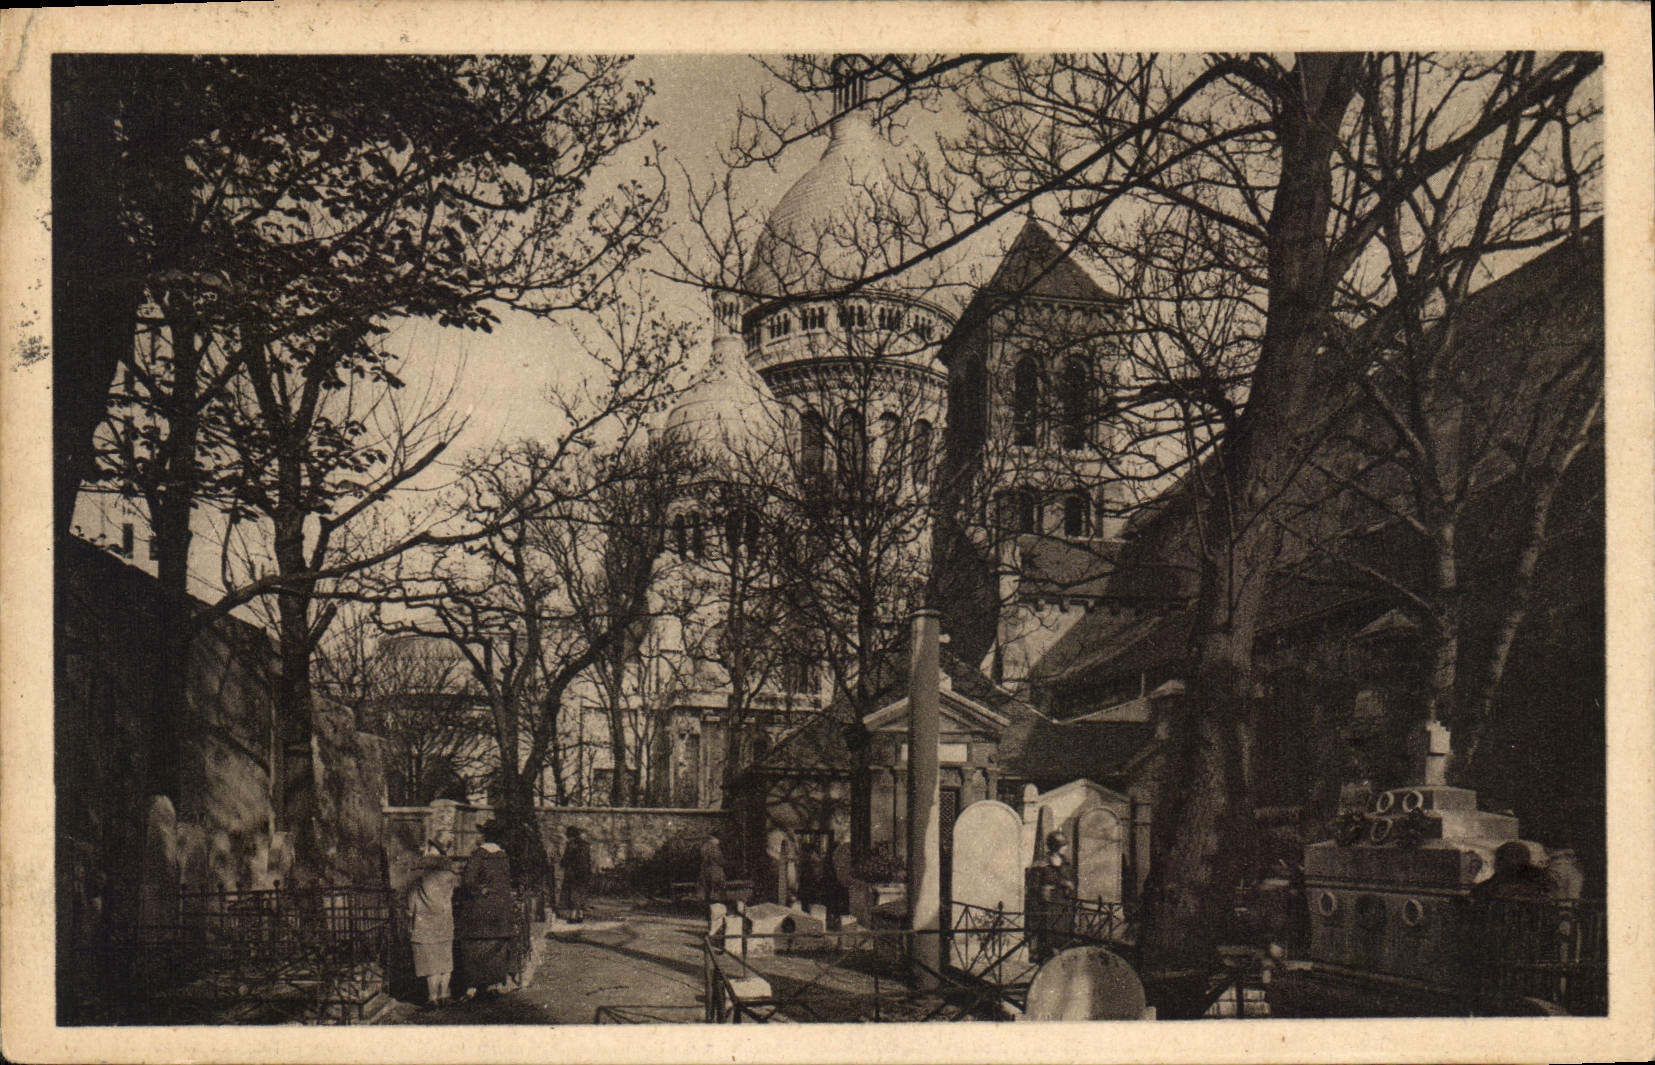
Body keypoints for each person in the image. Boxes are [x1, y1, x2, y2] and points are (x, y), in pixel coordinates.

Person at [456, 821, 517, 997]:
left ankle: (473, 987)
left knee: (476, 946)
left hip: (481, 909)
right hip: (500, 909)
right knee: (496, 946)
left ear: (484, 837)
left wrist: (479, 890)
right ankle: (493, 984)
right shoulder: (503, 856)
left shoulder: (479, 855)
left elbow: (467, 881)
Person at [406, 840, 461, 1008]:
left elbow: (410, 901)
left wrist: (409, 916)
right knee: (445, 961)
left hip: (424, 924)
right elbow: (452, 895)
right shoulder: (450, 875)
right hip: (444, 921)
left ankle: (432, 998)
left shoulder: (418, 875)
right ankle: (444, 995)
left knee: (430, 964)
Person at [1028, 830, 1076, 963]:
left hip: (1063, 905)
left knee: (1063, 937)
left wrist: (1069, 886)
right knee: (1048, 939)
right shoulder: (1042, 864)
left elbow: (1071, 880)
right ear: (1055, 846)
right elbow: (1034, 887)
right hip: (1048, 906)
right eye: (1063, 845)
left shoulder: (1066, 863)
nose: (1066, 848)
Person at [562, 825, 593, 923]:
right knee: (582, 892)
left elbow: (566, 860)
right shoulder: (587, 845)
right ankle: (581, 915)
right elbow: (588, 861)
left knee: (573, 893)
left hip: (573, 873)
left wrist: (562, 863)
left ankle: (573, 915)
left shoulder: (571, 845)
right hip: (584, 873)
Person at [698, 835, 726, 905]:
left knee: (707, 885)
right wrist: (723, 863)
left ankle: (707, 900)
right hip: (714, 869)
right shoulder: (714, 847)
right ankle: (717, 900)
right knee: (717, 884)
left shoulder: (704, 847)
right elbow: (718, 858)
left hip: (705, 869)